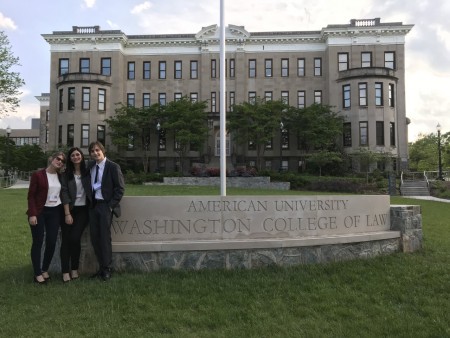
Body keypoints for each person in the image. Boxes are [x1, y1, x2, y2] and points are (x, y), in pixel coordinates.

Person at [27, 152, 68, 284]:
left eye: (62, 161)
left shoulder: (61, 177)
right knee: (38, 242)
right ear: (52, 159)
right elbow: (31, 196)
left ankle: (44, 269)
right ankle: (37, 273)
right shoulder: (38, 175)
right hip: (40, 211)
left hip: (55, 211)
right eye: (58, 158)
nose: (60, 161)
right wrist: (33, 214)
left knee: (51, 242)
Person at [87, 141, 124, 281]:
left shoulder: (113, 167)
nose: (95, 153)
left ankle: (107, 269)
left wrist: (110, 206)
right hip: (93, 206)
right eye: (92, 151)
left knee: (104, 238)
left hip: (105, 206)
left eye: (97, 150)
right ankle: (101, 267)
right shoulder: (91, 167)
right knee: (95, 238)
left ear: (103, 151)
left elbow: (120, 189)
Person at [60, 147, 90, 283]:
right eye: (73, 155)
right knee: (66, 240)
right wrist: (67, 213)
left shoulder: (88, 172)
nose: (76, 157)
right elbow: (64, 193)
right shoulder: (66, 174)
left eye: (78, 154)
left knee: (74, 238)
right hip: (69, 210)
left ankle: (74, 269)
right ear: (70, 158)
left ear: (82, 156)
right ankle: (65, 271)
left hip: (83, 210)